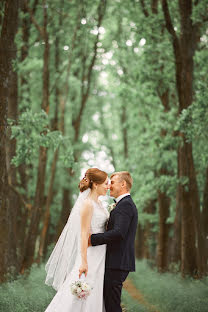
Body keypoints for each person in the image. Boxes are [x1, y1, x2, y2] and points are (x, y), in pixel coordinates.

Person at [44, 168, 109, 312]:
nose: (108, 186)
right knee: (85, 287)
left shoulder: (100, 204)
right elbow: (84, 232)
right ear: (96, 185)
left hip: (101, 252)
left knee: (96, 288)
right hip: (90, 253)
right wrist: (84, 261)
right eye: (105, 183)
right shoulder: (87, 204)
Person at [89, 171, 138, 312]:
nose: (109, 186)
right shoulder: (122, 204)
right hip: (116, 261)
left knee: (112, 305)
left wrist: (92, 239)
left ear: (123, 184)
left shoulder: (125, 205)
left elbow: (119, 233)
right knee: (110, 302)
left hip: (118, 262)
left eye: (113, 182)